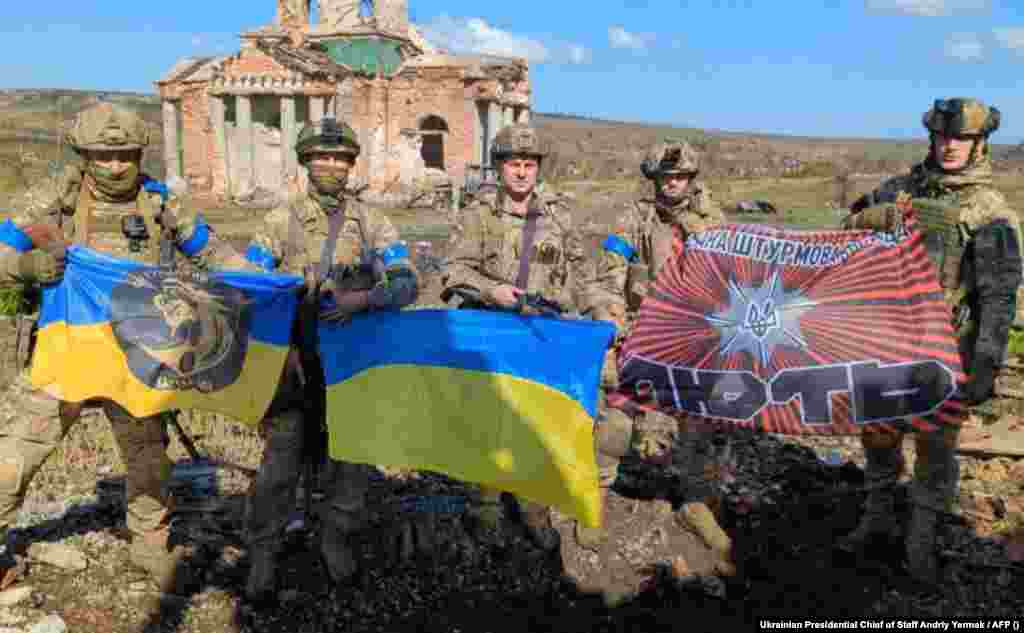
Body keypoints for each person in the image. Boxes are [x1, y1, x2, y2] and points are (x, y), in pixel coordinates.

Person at [0, 101, 247, 593]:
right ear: (84, 155)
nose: (115, 167)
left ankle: (149, 545)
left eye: (125, 156)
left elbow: (214, 253)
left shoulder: (160, 202)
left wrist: (263, 283)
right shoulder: (55, 197)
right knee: (18, 452)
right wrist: (27, 269)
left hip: (138, 353)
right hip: (67, 350)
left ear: (139, 154)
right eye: (103, 157)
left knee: (148, 459)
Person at [838, 97, 1022, 585]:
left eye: (960, 139)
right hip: (885, 345)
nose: (950, 147)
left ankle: (919, 543)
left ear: (979, 144)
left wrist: (985, 361)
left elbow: (998, 297)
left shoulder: (989, 212)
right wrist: (872, 220)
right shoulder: (898, 190)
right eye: (943, 137)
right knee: (877, 439)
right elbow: (844, 235)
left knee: (935, 452)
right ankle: (876, 523)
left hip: (943, 353)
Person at [241, 116, 418, 602]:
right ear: (305, 161)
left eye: (340, 157)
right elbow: (248, 288)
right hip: (294, 363)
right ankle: (264, 553)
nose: (331, 165)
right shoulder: (279, 220)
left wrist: (361, 301)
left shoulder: (371, 222)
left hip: (351, 366)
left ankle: (336, 539)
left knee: (351, 462)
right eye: (321, 155)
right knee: (281, 465)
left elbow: (407, 282)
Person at [581, 139, 735, 574]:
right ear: (654, 180)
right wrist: (609, 314)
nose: (673, 184)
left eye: (681, 177)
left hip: (696, 339)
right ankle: (595, 494)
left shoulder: (714, 222)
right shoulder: (635, 219)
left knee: (698, 423)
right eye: (666, 177)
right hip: (643, 335)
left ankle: (693, 502)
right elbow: (606, 275)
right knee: (617, 415)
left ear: (692, 179)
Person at [440, 122, 592, 554]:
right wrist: (491, 291)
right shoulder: (478, 212)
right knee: (487, 423)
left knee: (538, 422)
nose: (522, 173)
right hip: (490, 331)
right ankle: (485, 509)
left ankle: (533, 507)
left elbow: (581, 273)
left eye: (529, 164)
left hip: (542, 334)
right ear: (499, 167)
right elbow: (453, 271)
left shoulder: (560, 212)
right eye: (513, 165)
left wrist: (564, 300)